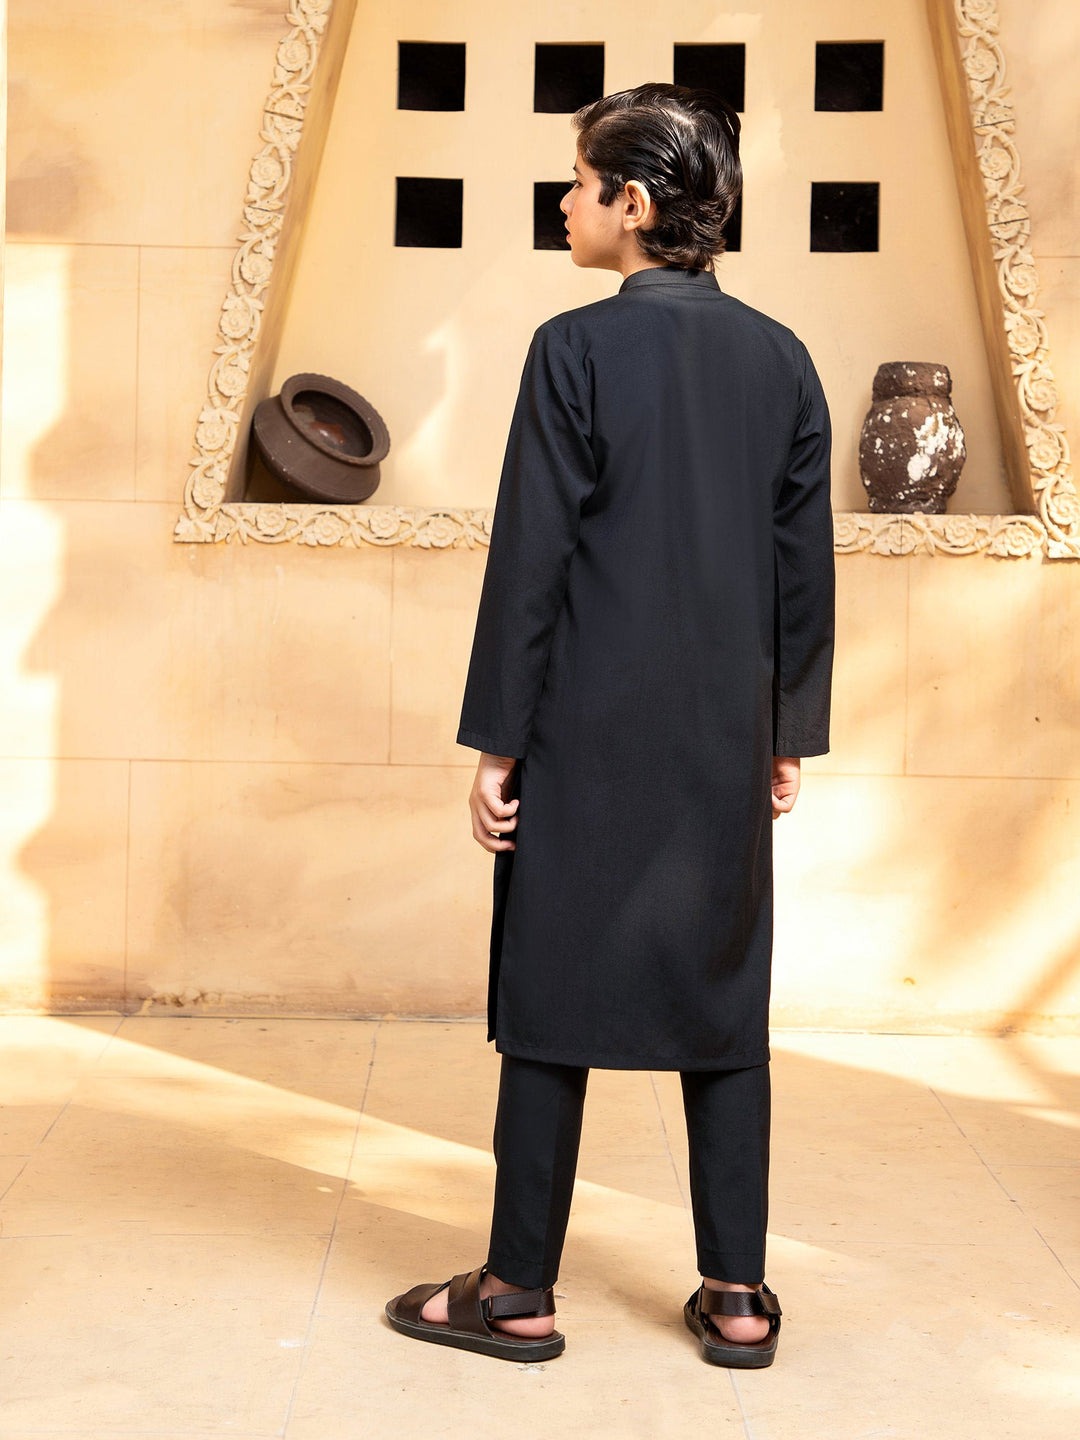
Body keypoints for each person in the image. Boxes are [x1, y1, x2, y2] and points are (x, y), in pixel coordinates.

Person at [385, 81, 834, 1368]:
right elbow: (802, 569)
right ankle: (738, 1296)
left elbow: (532, 559)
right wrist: (786, 730)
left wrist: (500, 741)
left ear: (631, 204)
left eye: (580, 184)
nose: (566, 202)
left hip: (582, 731)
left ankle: (517, 1290)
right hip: (720, 737)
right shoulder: (783, 360)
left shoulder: (573, 349)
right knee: (722, 997)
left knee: (551, 996)